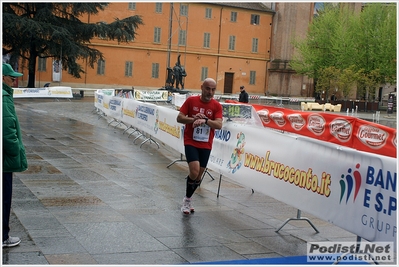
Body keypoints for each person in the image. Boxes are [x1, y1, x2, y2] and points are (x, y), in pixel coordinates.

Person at [176, 78, 223, 214]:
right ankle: (186, 201)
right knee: (194, 170)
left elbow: (219, 124)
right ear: (202, 87)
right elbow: (179, 118)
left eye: (213, 89)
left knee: (198, 176)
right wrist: (194, 119)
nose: (210, 92)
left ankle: (188, 198)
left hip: (206, 143)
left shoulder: (216, 106)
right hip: (191, 140)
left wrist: (206, 120)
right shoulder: (191, 101)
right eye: (208, 88)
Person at [2, 63, 28, 247]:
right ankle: (3, 236)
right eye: (11, 77)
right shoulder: (3, 98)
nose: (14, 80)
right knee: (4, 197)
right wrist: (15, 152)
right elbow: (7, 131)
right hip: (4, 160)